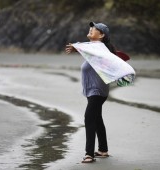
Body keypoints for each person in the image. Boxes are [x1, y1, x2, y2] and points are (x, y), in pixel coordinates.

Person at [65, 22, 115, 163]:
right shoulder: (96, 48)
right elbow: (89, 48)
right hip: (96, 90)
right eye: (91, 27)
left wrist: (77, 47)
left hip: (96, 91)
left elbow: (89, 47)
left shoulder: (99, 47)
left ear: (102, 35)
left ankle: (89, 154)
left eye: (94, 28)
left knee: (89, 118)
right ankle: (103, 150)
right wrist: (78, 48)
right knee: (97, 118)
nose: (91, 29)